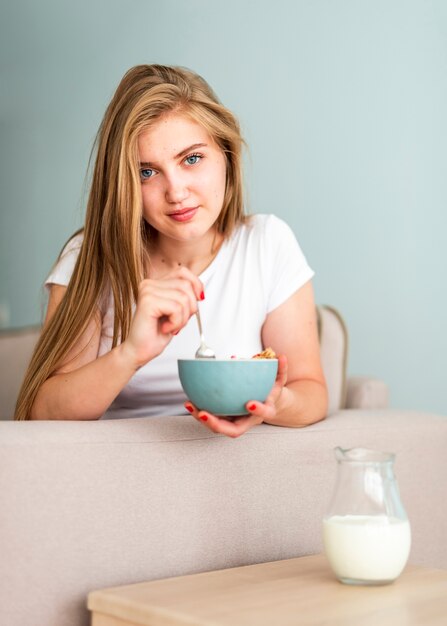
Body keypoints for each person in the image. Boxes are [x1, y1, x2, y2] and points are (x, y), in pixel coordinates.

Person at [14, 64, 328, 436]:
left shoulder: (267, 243)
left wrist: (273, 403)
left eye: (191, 159)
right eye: (147, 172)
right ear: (125, 183)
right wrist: (131, 352)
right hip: (114, 474)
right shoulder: (90, 258)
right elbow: (42, 413)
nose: (176, 192)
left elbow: (310, 391)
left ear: (226, 154)